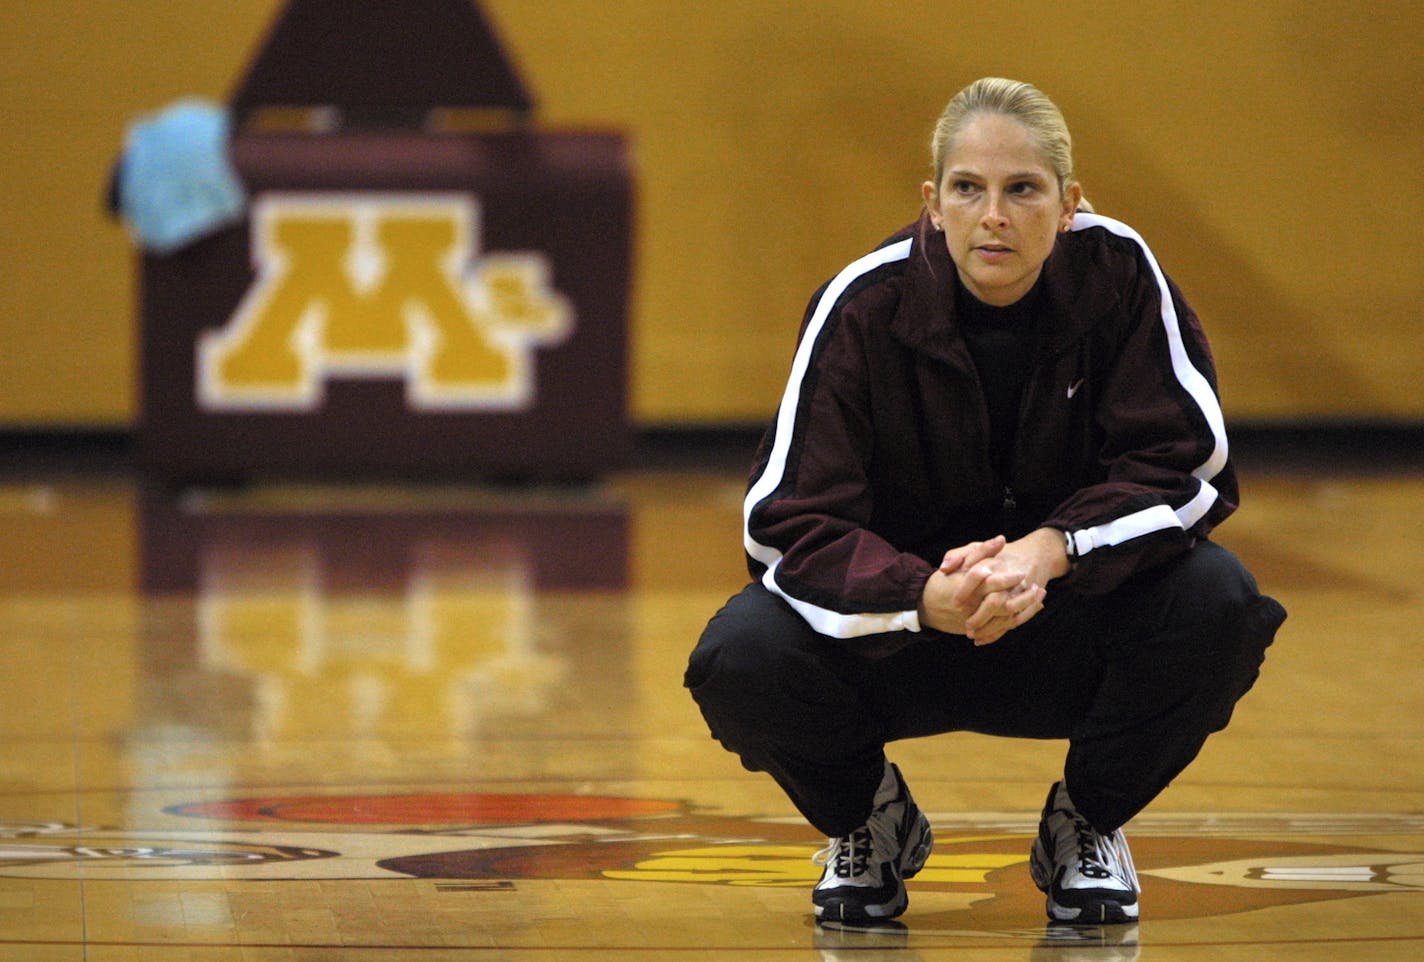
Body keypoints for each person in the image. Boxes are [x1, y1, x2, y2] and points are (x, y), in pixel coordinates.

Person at [684, 77, 1286, 926]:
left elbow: (1188, 468)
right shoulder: (862, 305)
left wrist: (1048, 551)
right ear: (932, 204)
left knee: (1219, 601)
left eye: (1022, 190)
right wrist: (920, 596)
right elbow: (783, 525)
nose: (993, 215)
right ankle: (870, 821)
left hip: (1066, 620)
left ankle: (1088, 822)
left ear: (1069, 204)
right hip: (902, 639)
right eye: (968, 188)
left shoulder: (1119, 276)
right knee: (740, 654)